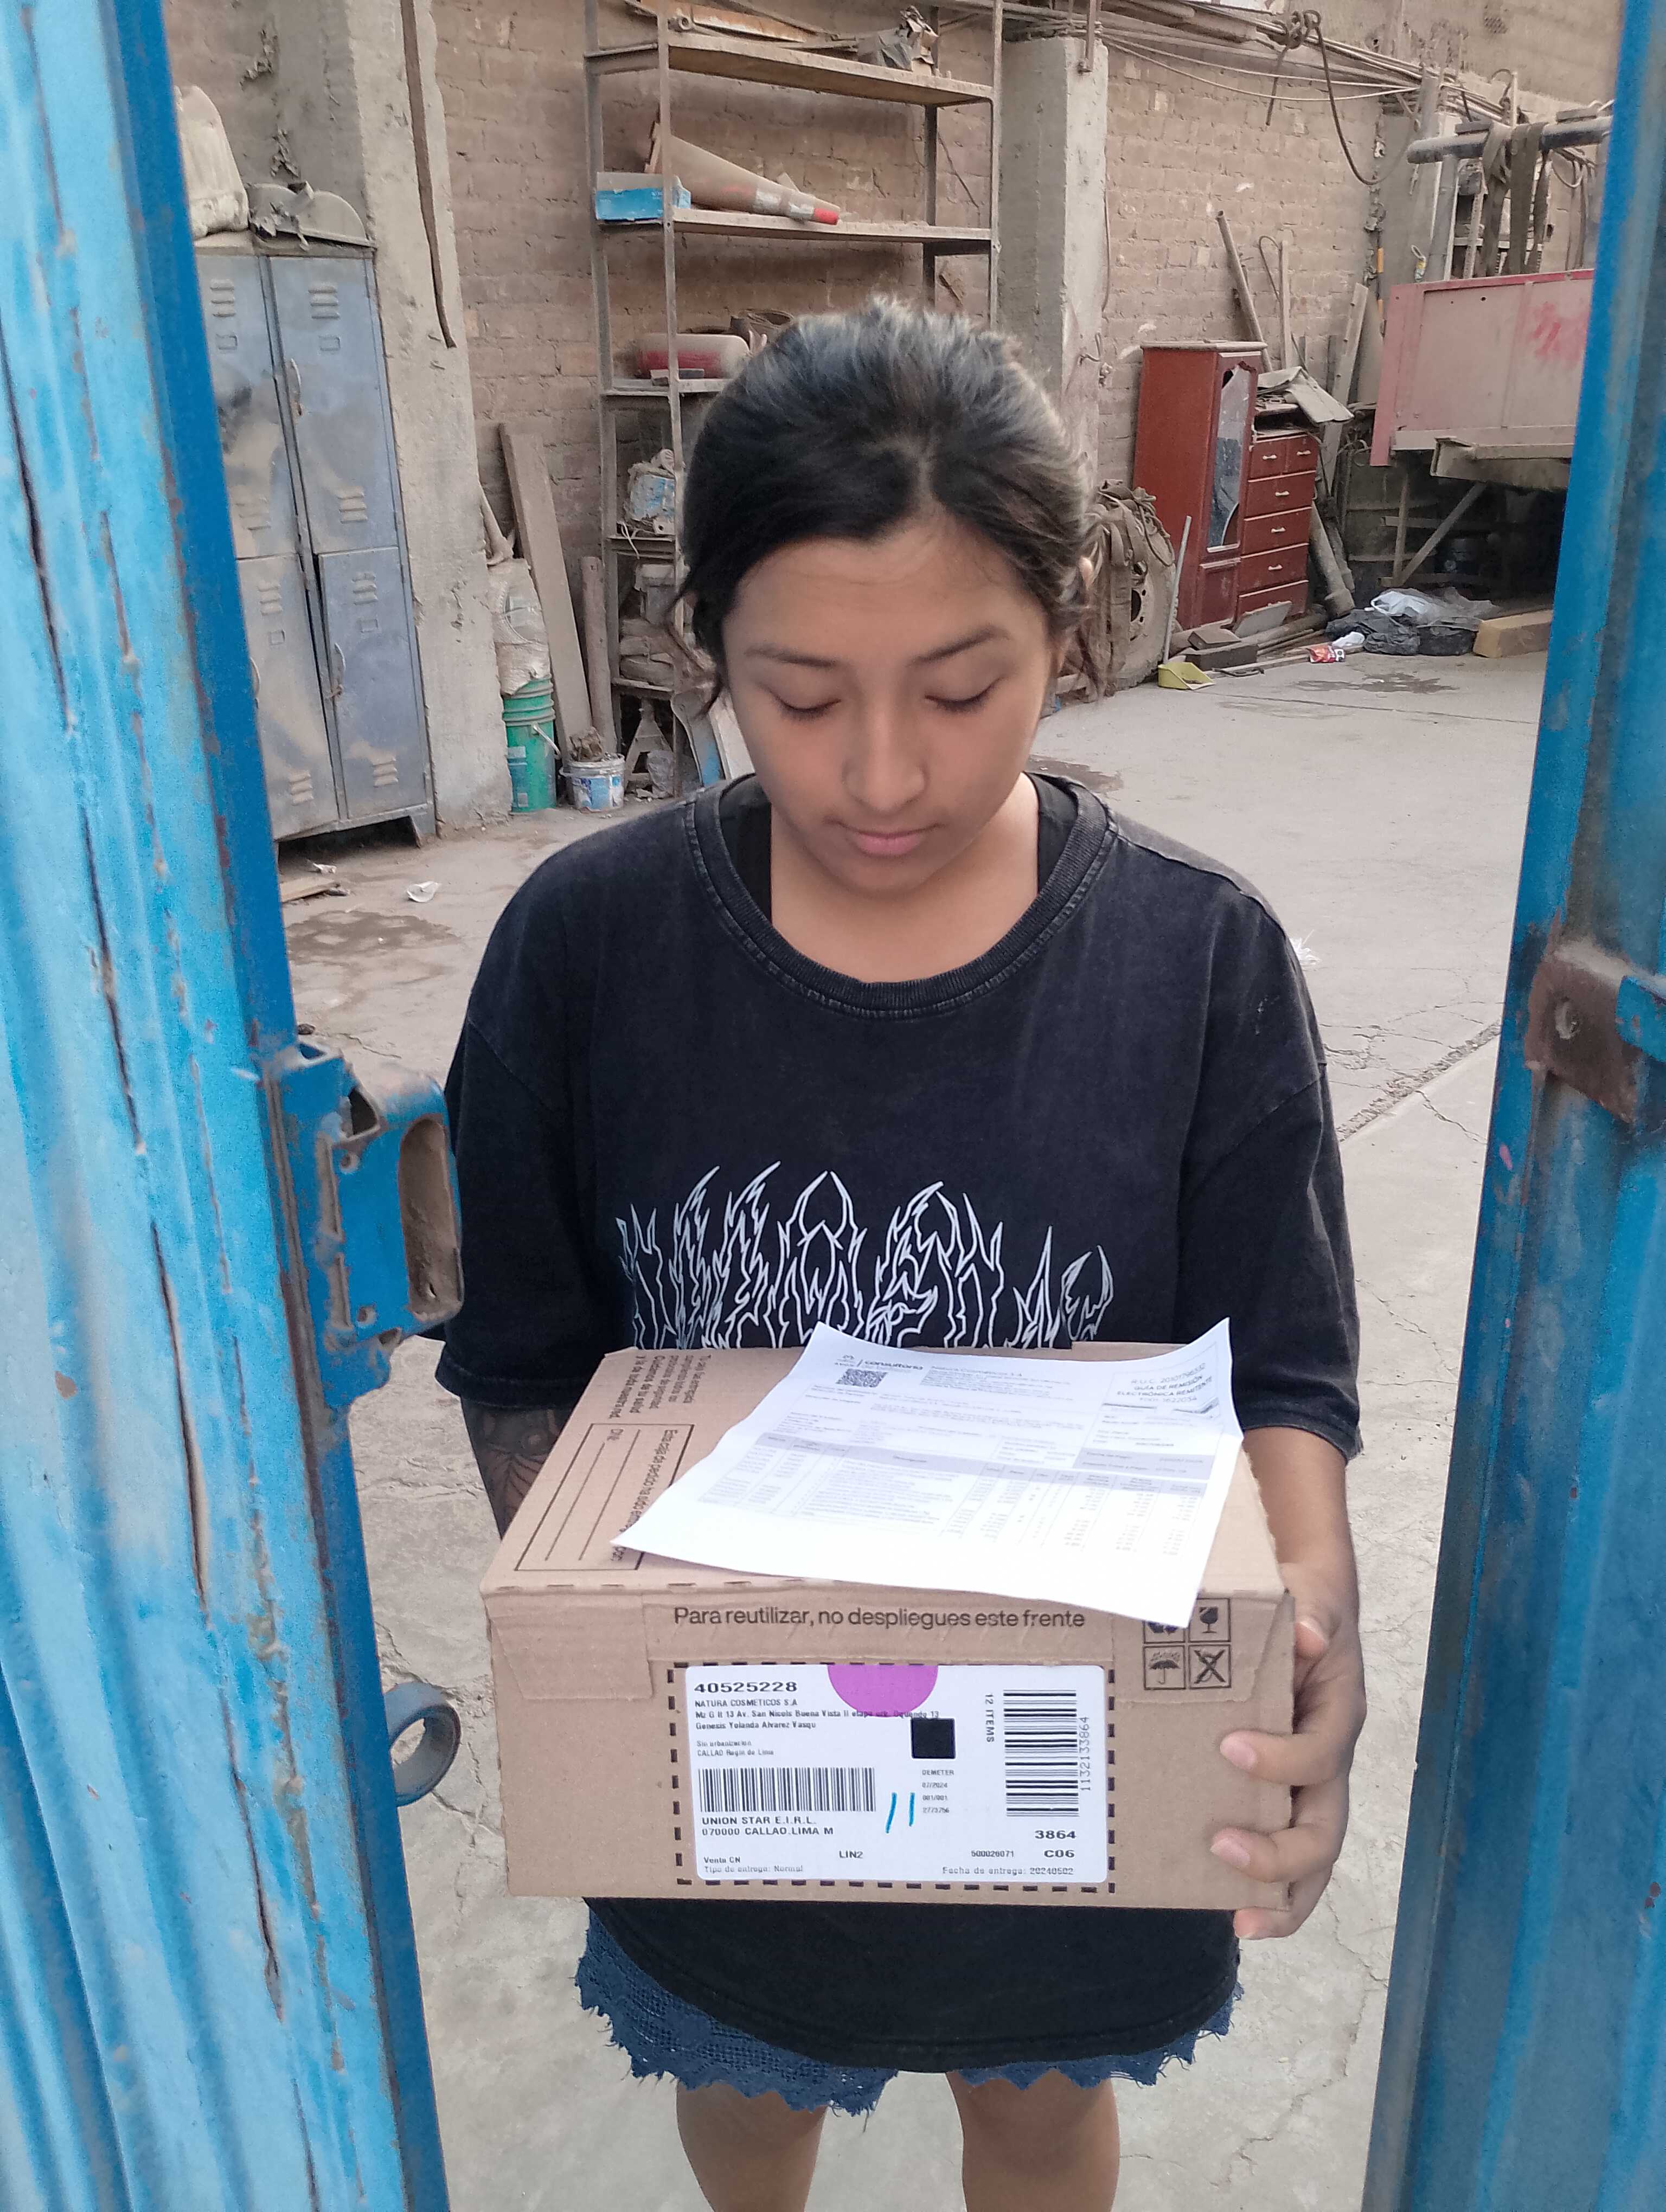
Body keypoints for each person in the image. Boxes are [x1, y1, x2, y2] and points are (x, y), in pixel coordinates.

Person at [437, 300, 1365, 2212]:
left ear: (1069, 635)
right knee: (746, 2092)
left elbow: (1279, 1372)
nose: (877, 777)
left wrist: (1310, 1641)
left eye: (959, 691)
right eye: (798, 696)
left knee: (1036, 2108)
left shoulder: (1195, 964)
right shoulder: (590, 955)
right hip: (729, 1773)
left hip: (1074, 1776)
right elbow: (526, 1365)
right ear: (707, 648)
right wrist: (625, 1656)